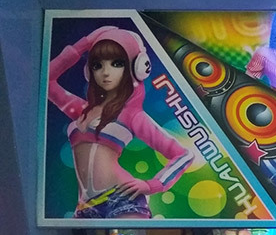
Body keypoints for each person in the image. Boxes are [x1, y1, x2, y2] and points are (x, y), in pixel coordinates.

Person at [48, 26, 193, 219]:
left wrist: (152, 185)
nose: (105, 72)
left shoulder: (132, 116)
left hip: (123, 200)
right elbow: (47, 80)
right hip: (85, 208)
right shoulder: (80, 109)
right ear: (89, 71)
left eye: (116, 63)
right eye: (97, 65)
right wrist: (84, 44)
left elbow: (183, 155)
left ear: (137, 67)